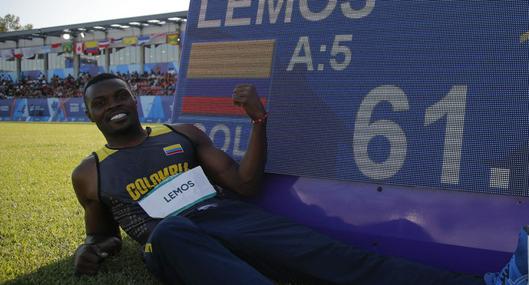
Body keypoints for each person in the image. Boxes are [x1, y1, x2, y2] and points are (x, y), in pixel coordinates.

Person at [72, 73, 527, 285]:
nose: (113, 105)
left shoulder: (182, 134)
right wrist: (88, 250)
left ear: (135, 100)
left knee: (341, 259)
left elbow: (245, 186)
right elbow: (102, 237)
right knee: (171, 231)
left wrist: (258, 121)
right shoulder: (90, 172)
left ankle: (492, 284)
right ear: (89, 113)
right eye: (101, 102)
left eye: (121, 96)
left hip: (225, 216)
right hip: (171, 241)